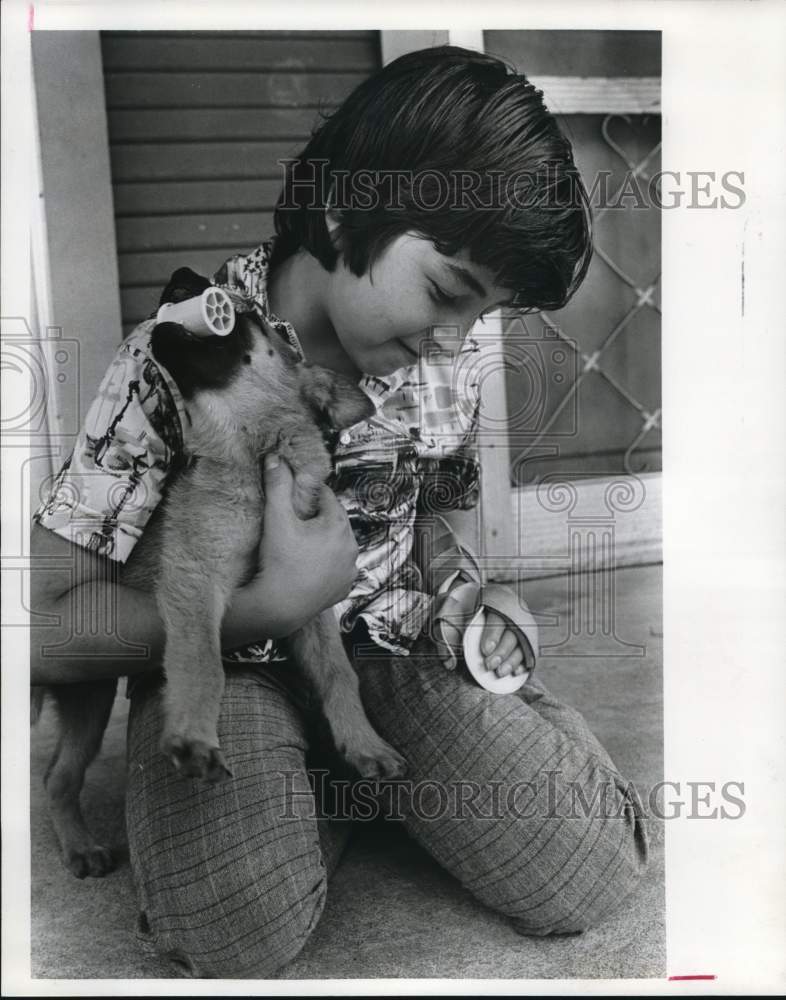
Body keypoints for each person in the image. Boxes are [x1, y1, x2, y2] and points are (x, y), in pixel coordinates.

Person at [30, 46, 648, 978]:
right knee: (230, 926)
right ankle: (316, 780)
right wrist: (269, 607)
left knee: (590, 870)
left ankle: (359, 767)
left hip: (388, 651)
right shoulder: (180, 355)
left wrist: (475, 603)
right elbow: (43, 628)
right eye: (448, 293)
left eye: (484, 319)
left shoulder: (436, 378)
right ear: (343, 204)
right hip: (223, 663)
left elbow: (436, 526)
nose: (453, 343)